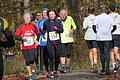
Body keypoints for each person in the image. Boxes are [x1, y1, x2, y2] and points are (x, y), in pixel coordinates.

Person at [93, 5, 117, 75]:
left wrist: (97, 32)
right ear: (106, 10)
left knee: (101, 52)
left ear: (101, 11)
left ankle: (103, 68)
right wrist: (110, 32)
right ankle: (107, 68)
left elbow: (94, 27)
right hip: (107, 37)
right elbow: (115, 27)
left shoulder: (97, 17)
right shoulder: (109, 17)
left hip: (99, 37)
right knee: (107, 52)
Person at [15, 13, 39, 80]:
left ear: (31, 19)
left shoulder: (33, 26)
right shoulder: (21, 26)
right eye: (26, 17)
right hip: (24, 46)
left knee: (32, 59)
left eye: (29, 17)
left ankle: (33, 70)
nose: (27, 19)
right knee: (27, 61)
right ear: (24, 18)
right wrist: (22, 38)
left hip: (32, 46)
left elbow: (38, 34)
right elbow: (16, 36)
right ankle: (30, 74)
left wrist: (36, 40)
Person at [42, 10, 63, 78]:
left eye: (52, 14)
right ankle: (51, 71)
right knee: (51, 55)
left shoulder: (58, 21)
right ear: (48, 15)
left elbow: (62, 30)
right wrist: (43, 34)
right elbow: (43, 29)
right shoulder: (46, 22)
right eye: (50, 14)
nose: (51, 16)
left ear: (55, 15)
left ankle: (55, 70)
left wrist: (57, 29)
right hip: (49, 42)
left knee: (57, 56)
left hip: (57, 42)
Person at [82, 7, 98, 73]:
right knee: (95, 49)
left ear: (88, 12)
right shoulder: (96, 18)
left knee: (91, 50)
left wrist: (83, 28)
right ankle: (95, 63)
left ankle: (92, 65)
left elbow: (84, 27)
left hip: (88, 35)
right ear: (94, 11)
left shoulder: (86, 18)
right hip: (95, 34)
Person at [37, 8, 49, 74]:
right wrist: (41, 30)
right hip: (43, 39)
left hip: (50, 39)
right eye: (43, 12)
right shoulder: (40, 21)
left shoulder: (50, 20)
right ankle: (41, 69)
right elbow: (37, 31)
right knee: (42, 55)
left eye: (46, 12)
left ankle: (50, 68)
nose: (45, 14)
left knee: (50, 54)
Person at [109, 3, 120, 73]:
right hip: (118, 34)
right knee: (116, 50)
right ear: (115, 9)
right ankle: (118, 59)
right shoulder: (119, 16)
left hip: (110, 34)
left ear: (109, 9)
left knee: (112, 51)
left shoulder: (108, 16)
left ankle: (114, 66)